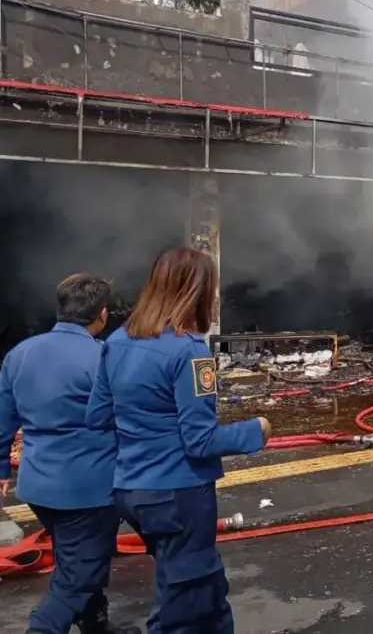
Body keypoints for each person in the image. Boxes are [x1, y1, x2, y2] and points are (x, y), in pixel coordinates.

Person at [86, 248, 271, 634]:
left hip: (131, 491)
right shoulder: (190, 352)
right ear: (197, 291)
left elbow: (96, 417)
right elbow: (200, 441)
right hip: (178, 495)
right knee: (181, 605)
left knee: (207, 591)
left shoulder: (116, 342)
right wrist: (257, 430)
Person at [0, 274, 139, 634]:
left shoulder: (20, 354)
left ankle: (96, 625)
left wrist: (2, 466)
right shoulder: (103, 356)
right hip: (88, 488)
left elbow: (3, 418)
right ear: (103, 314)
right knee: (79, 573)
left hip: (36, 486)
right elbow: (127, 419)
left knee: (76, 558)